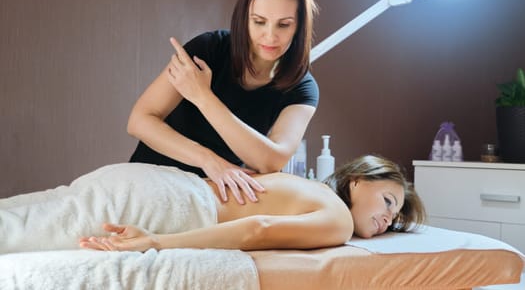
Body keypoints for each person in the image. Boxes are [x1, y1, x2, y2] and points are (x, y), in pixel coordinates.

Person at [128, 0, 320, 205]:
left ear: (299, 27)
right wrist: (209, 160)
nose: (270, 36)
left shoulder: (301, 88)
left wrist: (203, 97)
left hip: (212, 195)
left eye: (284, 25)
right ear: (244, 18)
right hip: (150, 180)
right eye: (259, 21)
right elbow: (139, 121)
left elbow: (271, 161)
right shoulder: (208, 49)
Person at [76, 154, 425, 252]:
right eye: (388, 201)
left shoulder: (302, 185)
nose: (386, 219)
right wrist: (154, 241)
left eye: (393, 219)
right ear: (358, 180)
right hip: (178, 201)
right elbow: (258, 230)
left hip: (155, 181)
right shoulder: (339, 220)